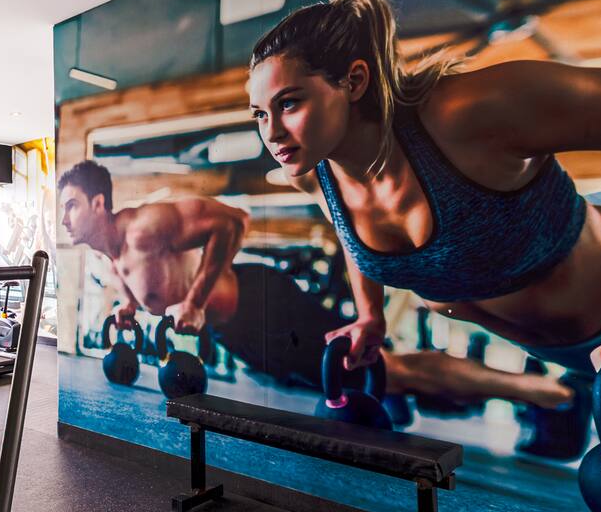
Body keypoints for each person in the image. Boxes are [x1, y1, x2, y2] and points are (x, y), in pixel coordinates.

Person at [248, 0, 601, 410]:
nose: (271, 132)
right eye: (259, 114)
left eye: (288, 103)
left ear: (355, 81)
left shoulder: (467, 114)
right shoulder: (314, 175)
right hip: (597, 355)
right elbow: (350, 235)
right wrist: (370, 317)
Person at [59, 159, 574, 409]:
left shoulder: (147, 226)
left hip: (265, 306)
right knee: (362, 383)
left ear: (99, 204)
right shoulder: (111, 255)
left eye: (71, 206)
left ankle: (546, 390)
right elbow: (147, 286)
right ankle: (540, 391)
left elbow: (234, 221)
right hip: (242, 335)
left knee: (393, 373)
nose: (64, 219)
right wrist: (130, 308)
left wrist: (194, 300)